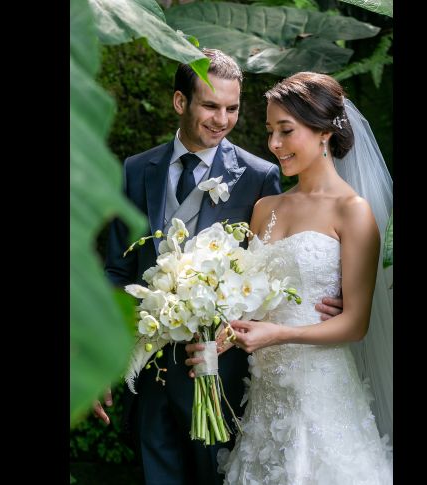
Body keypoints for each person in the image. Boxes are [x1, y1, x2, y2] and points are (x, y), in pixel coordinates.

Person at [95, 51, 344, 485]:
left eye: (232, 108)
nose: (222, 119)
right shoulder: (135, 171)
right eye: (211, 106)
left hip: (220, 377)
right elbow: (116, 271)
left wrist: (328, 297)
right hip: (148, 376)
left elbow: (275, 269)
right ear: (180, 102)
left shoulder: (260, 177)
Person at [189, 72, 394, 484]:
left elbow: (355, 324)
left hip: (321, 393)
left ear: (324, 132)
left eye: (286, 131)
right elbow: (250, 299)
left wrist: (277, 334)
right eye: (270, 131)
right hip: (265, 395)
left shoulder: (353, 211)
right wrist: (219, 337)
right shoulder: (265, 207)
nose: (274, 144)